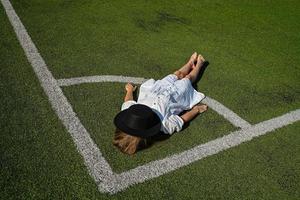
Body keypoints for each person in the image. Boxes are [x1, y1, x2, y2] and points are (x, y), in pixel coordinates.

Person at [113, 53, 208, 155]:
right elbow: (181, 119)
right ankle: (199, 65)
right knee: (188, 79)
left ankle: (190, 63)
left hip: (157, 90)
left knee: (177, 74)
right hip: (176, 97)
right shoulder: (163, 126)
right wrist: (196, 110)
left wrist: (130, 90)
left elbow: (128, 101)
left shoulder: (130, 114)